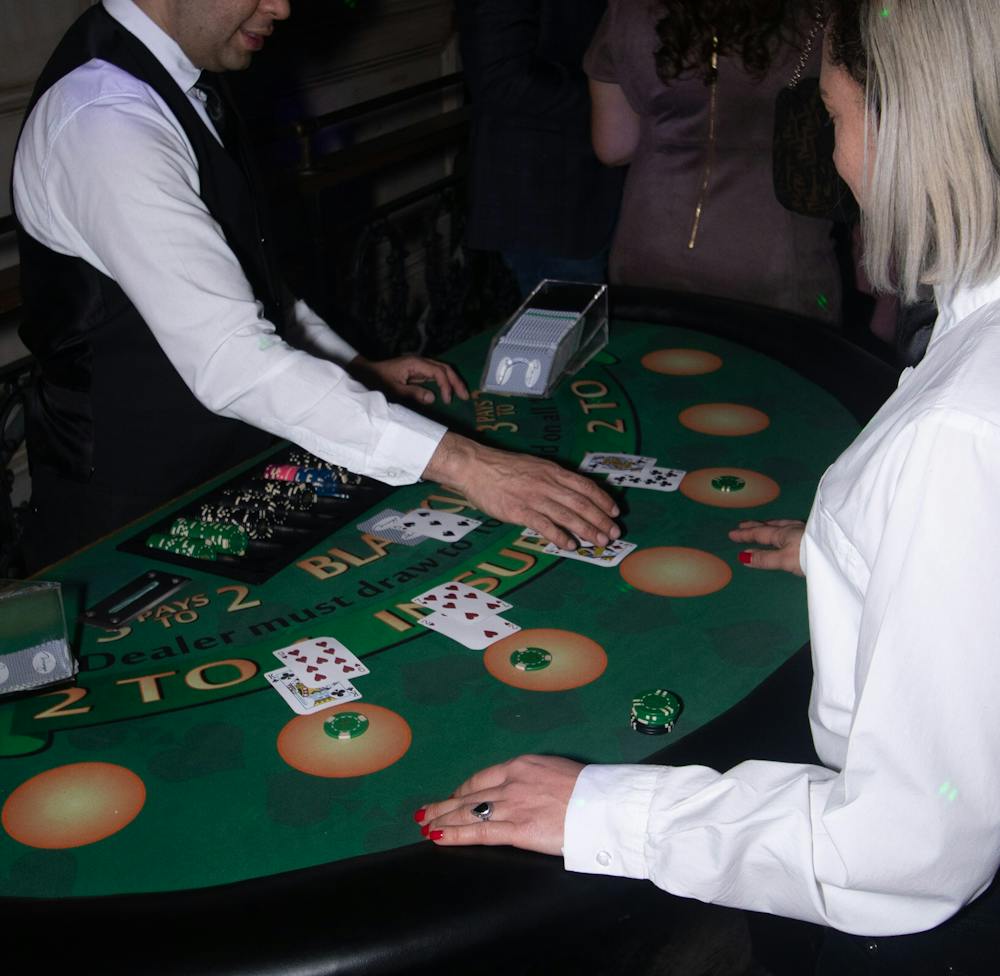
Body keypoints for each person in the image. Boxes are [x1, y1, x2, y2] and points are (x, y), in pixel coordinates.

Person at [417, 1, 1000, 976]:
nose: (837, 160)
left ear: (915, 127)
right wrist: (853, 552)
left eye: (837, 116)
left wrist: (601, 812)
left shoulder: (958, 433)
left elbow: (910, 846)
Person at [11, 0, 619, 570]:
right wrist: (467, 464)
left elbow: (238, 275)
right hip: (128, 522)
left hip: (223, 485)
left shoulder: (178, 72)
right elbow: (231, 359)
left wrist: (353, 364)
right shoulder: (104, 121)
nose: (282, 7)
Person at [585, 0, 842, 323]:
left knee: (651, 366)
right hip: (777, 254)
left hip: (651, 247)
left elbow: (613, 145)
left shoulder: (630, 10)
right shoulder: (821, 13)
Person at [455, 0, 625, 298]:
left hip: (603, 190)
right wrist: (622, 99)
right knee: (568, 339)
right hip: (549, 202)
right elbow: (501, 80)